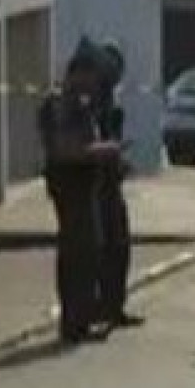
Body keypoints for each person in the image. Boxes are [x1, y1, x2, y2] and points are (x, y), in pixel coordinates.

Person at [37, 45, 120, 343]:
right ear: (79, 73)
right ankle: (74, 322)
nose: (95, 85)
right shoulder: (61, 104)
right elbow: (66, 150)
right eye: (92, 77)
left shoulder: (79, 103)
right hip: (71, 184)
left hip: (83, 185)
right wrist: (105, 150)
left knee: (89, 250)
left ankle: (81, 318)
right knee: (78, 253)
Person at [92, 39, 144, 330]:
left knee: (120, 247)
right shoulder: (91, 103)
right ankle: (100, 306)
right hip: (96, 184)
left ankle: (114, 307)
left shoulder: (109, 100)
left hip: (111, 181)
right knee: (103, 248)